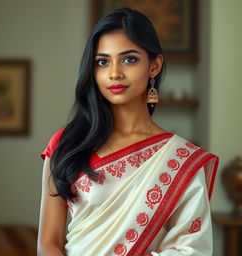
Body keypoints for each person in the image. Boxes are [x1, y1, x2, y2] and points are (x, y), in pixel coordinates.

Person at [37, 7, 219, 256]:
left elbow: (192, 248)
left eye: (129, 59)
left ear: (154, 65)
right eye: (103, 62)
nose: (114, 73)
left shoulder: (181, 160)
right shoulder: (66, 143)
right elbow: (48, 243)